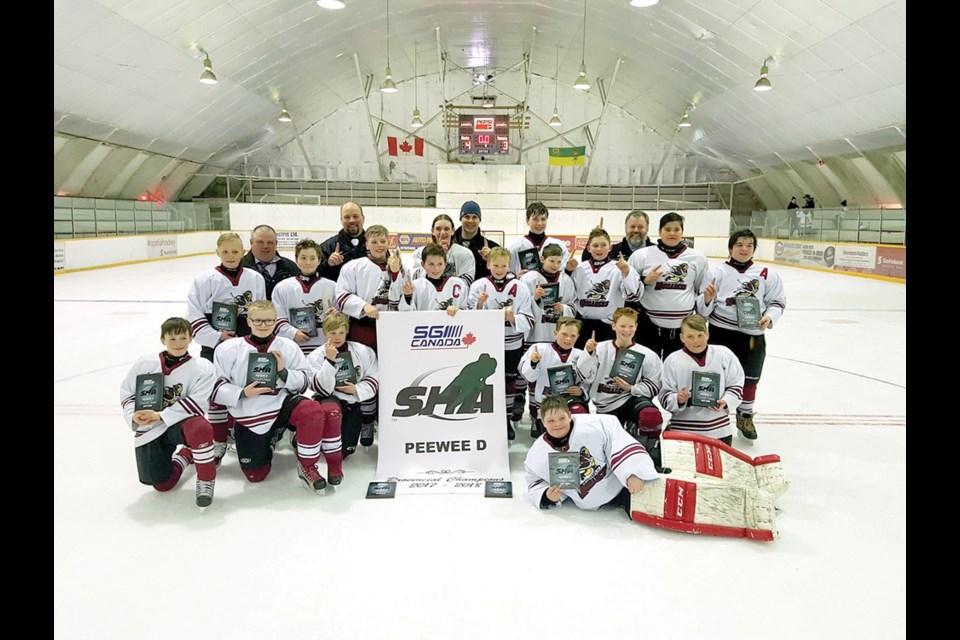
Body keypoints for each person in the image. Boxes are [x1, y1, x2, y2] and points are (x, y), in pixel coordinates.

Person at [211, 301, 343, 491]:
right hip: (249, 413)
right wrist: (242, 392)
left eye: (268, 321)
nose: (263, 325)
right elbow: (216, 387)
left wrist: (283, 372)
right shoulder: (228, 349)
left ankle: (307, 465)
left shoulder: (288, 346)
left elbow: (305, 381)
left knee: (311, 410)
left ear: (275, 321)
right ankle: (273, 436)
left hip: (281, 404)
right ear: (248, 321)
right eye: (257, 320)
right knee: (255, 475)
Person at [120, 317, 218, 508]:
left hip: (181, 424)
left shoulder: (203, 368)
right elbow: (127, 392)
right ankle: (185, 455)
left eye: (183, 338)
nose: (178, 343)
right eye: (172, 339)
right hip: (151, 427)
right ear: (162, 339)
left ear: (191, 338)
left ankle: (206, 480)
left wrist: (161, 415)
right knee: (161, 484)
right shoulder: (145, 363)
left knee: (200, 426)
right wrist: (133, 415)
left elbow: (198, 403)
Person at [698, 230, 786, 441]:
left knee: (750, 379)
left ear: (754, 249)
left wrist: (769, 318)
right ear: (730, 248)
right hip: (721, 333)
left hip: (752, 336)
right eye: (739, 244)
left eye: (749, 245)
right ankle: (712, 418)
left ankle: (745, 415)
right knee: (715, 377)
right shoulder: (716, 272)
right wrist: (707, 300)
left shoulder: (767, 274)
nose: (744, 248)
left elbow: (777, 301)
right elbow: (701, 311)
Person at [523, 395, 659, 513]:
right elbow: (535, 482)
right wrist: (547, 496)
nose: (557, 424)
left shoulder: (596, 425)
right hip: (590, 505)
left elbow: (618, 442)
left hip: (622, 488)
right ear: (542, 421)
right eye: (551, 421)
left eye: (562, 418)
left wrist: (632, 473)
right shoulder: (536, 455)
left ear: (569, 416)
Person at [582, 307, 664, 469]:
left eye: (630, 326)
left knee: (651, 416)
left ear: (636, 327)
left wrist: (631, 388)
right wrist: (588, 353)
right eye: (622, 326)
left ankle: (650, 457)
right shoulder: (599, 349)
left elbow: (654, 386)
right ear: (613, 326)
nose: (627, 330)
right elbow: (585, 376)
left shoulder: (647, 355)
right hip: (604, 405)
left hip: (631, 399)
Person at [468, 247, 535, 440]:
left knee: (508, 381)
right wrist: (479, 305)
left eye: (503, 265)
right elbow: (468, 318)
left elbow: (528, 318)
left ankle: (505, 418)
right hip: (486, 344)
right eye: (495, 265)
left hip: (511, 344)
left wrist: (512, 317)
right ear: (488, 264)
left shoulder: (520, 287)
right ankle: (485, 418)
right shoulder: (479, 285)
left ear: (509, 266)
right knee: (484, 382)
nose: (499, 269)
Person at [627, 212, 710, 360]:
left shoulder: (697, 258)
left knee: (677, 371)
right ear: (659, 231)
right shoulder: (641, 256)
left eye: (676, 229)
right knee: (648, 368)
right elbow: (629, 289)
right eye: (667, 229)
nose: (672, 233)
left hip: (683, 327)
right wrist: (645, 280)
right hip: (648, 326)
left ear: (682, 232)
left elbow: (698, 289)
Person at [658, 314, 745, 445]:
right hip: (682, 430)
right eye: (690, 337)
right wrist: (678, 399)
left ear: (707, 334)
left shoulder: (724, 354)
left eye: (700, 335)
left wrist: (726, 401)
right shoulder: (672, 360)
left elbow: (736, 385)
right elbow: (664, 395)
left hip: (720, 430)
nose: (696, 341)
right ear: (682, 338)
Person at [515, 244, 577, 423]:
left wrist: (563, 308)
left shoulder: (565, 279)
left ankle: (553, 416)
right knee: (534, 379)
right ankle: (535, 417)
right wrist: (534, 299)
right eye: (551, 261)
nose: (555, 265)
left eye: (559, 261)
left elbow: (574, 305)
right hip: (535, 336)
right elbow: (521, 307)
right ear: (542, 259)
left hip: (556, 337)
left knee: (553, 381)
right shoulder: (529, 278)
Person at [306, 314, 380, 456]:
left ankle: (367, 422)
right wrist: (329, 362)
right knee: (326, 447)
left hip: (354, 401)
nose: (337, 337)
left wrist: (356, 389)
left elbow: (374, 375)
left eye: (341, 332)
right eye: (332, 333)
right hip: (331, 402)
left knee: (346, 452)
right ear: (325, 333)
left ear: (347, 331)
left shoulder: (363, 351)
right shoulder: (315, 356)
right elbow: (317, 387)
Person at [186, 232, 266, 363]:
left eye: (235, 251)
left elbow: (262, 312)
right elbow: (194, 314)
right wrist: (217, 336)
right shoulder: (205, 279)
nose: (230, 256)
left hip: (249, 343)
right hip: (214, 345)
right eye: (225, 252)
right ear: (217, 252)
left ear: (243, 252)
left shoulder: (255, 278)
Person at [518, 317, 599, 438]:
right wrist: (533, 362)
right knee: (552, 435)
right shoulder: (539, 350)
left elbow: (588, 379)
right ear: (555, 333)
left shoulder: (580, 354)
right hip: (546, 402)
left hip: (571, 400)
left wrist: (581, 390)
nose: (568, 339)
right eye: (564, 334)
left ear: (578, 336)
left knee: (579, 419)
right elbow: (529, 377)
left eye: (572, 335)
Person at [571, 227, 643, 349]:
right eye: (595, 245)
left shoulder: (619, 268)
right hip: (583, 327)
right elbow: (570, 296)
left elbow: (634, 295)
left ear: (610, 247)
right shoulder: (579, 269)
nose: (599, 249)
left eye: (603, 245)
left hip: (609, 328)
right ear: (589, 248)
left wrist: (626, 272)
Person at [334, 224, 402, 352]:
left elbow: (406, 297)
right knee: (363, 362)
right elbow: (341, 294)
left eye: (383, 241)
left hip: (391, 326)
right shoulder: (353, 267)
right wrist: (363, 306)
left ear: (389, 242)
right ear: (367, 245)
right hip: (362, 327)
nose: (379, 245)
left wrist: (396, 273)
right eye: (374, 242)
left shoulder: (401, 267)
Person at [272, 238, 339, 356]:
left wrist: (336, 316)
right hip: (292, 349)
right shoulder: (282, 287)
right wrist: (292, 333)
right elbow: (277, 318)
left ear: (319, 260)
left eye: (312, 258)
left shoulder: (332, 287)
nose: (308, 262)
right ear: (296, 260)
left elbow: (342, 320)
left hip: (323, 349)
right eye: (303, 258)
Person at [394, 243, 470, 313]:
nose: (436, 269)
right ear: (423, 265)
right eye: (431, 264)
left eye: (440, 264)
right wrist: (408, 296)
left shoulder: (458, 284)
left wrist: (458, 311)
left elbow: (468, 311)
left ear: (445, 264)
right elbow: (405, 314)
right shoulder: (416, 286)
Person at [507, 201, 575, 277]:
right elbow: (507, 271)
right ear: (527, 221)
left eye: (543, 219)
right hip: (524, 287)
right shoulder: (515, 246)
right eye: (535, 219)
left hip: (549, 288)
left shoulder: (559, 245)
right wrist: (515, 278)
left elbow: (563, 273)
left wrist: (568, 269)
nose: (539, 223)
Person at [411, 213, 476, 285]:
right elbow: (416, 280)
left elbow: (466, 283)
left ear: (453, 231)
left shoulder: (465, 254)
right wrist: (437, 253)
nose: (442, 233)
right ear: (433, 231)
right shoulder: (419, 253)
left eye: (446, 229)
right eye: (438, 229)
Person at [240, 225, 299, 299]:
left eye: (270, 242)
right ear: (251, 242)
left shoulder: (290, 267)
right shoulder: (240, 267)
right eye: (260, 242)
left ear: (276, 243)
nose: (265, 246)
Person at [452, 200, 501, 281]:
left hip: (481, 292)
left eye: (474, 217)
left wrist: (492, 260)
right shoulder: (450, 246)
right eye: (467, 217)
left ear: (479, 220)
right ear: (461, 219)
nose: (470, 221)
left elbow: (501, 276)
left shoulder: (493, 248)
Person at [579, 211, 653, 263]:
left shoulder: (656, 251)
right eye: (632, 227)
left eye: (640, 227)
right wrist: (595, 237)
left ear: (647, 229)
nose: (636, 230)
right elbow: (587, 261)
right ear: (626, 228)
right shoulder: (612, 251)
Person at [320, 201, 367, 282]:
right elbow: (315, 273)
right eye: (347, 217)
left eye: (355, 216)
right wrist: (328, 264)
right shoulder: (328, 246)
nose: (351, 220)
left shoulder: (375, 246)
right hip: (338, 293)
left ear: (363, 218)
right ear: (341, 219)